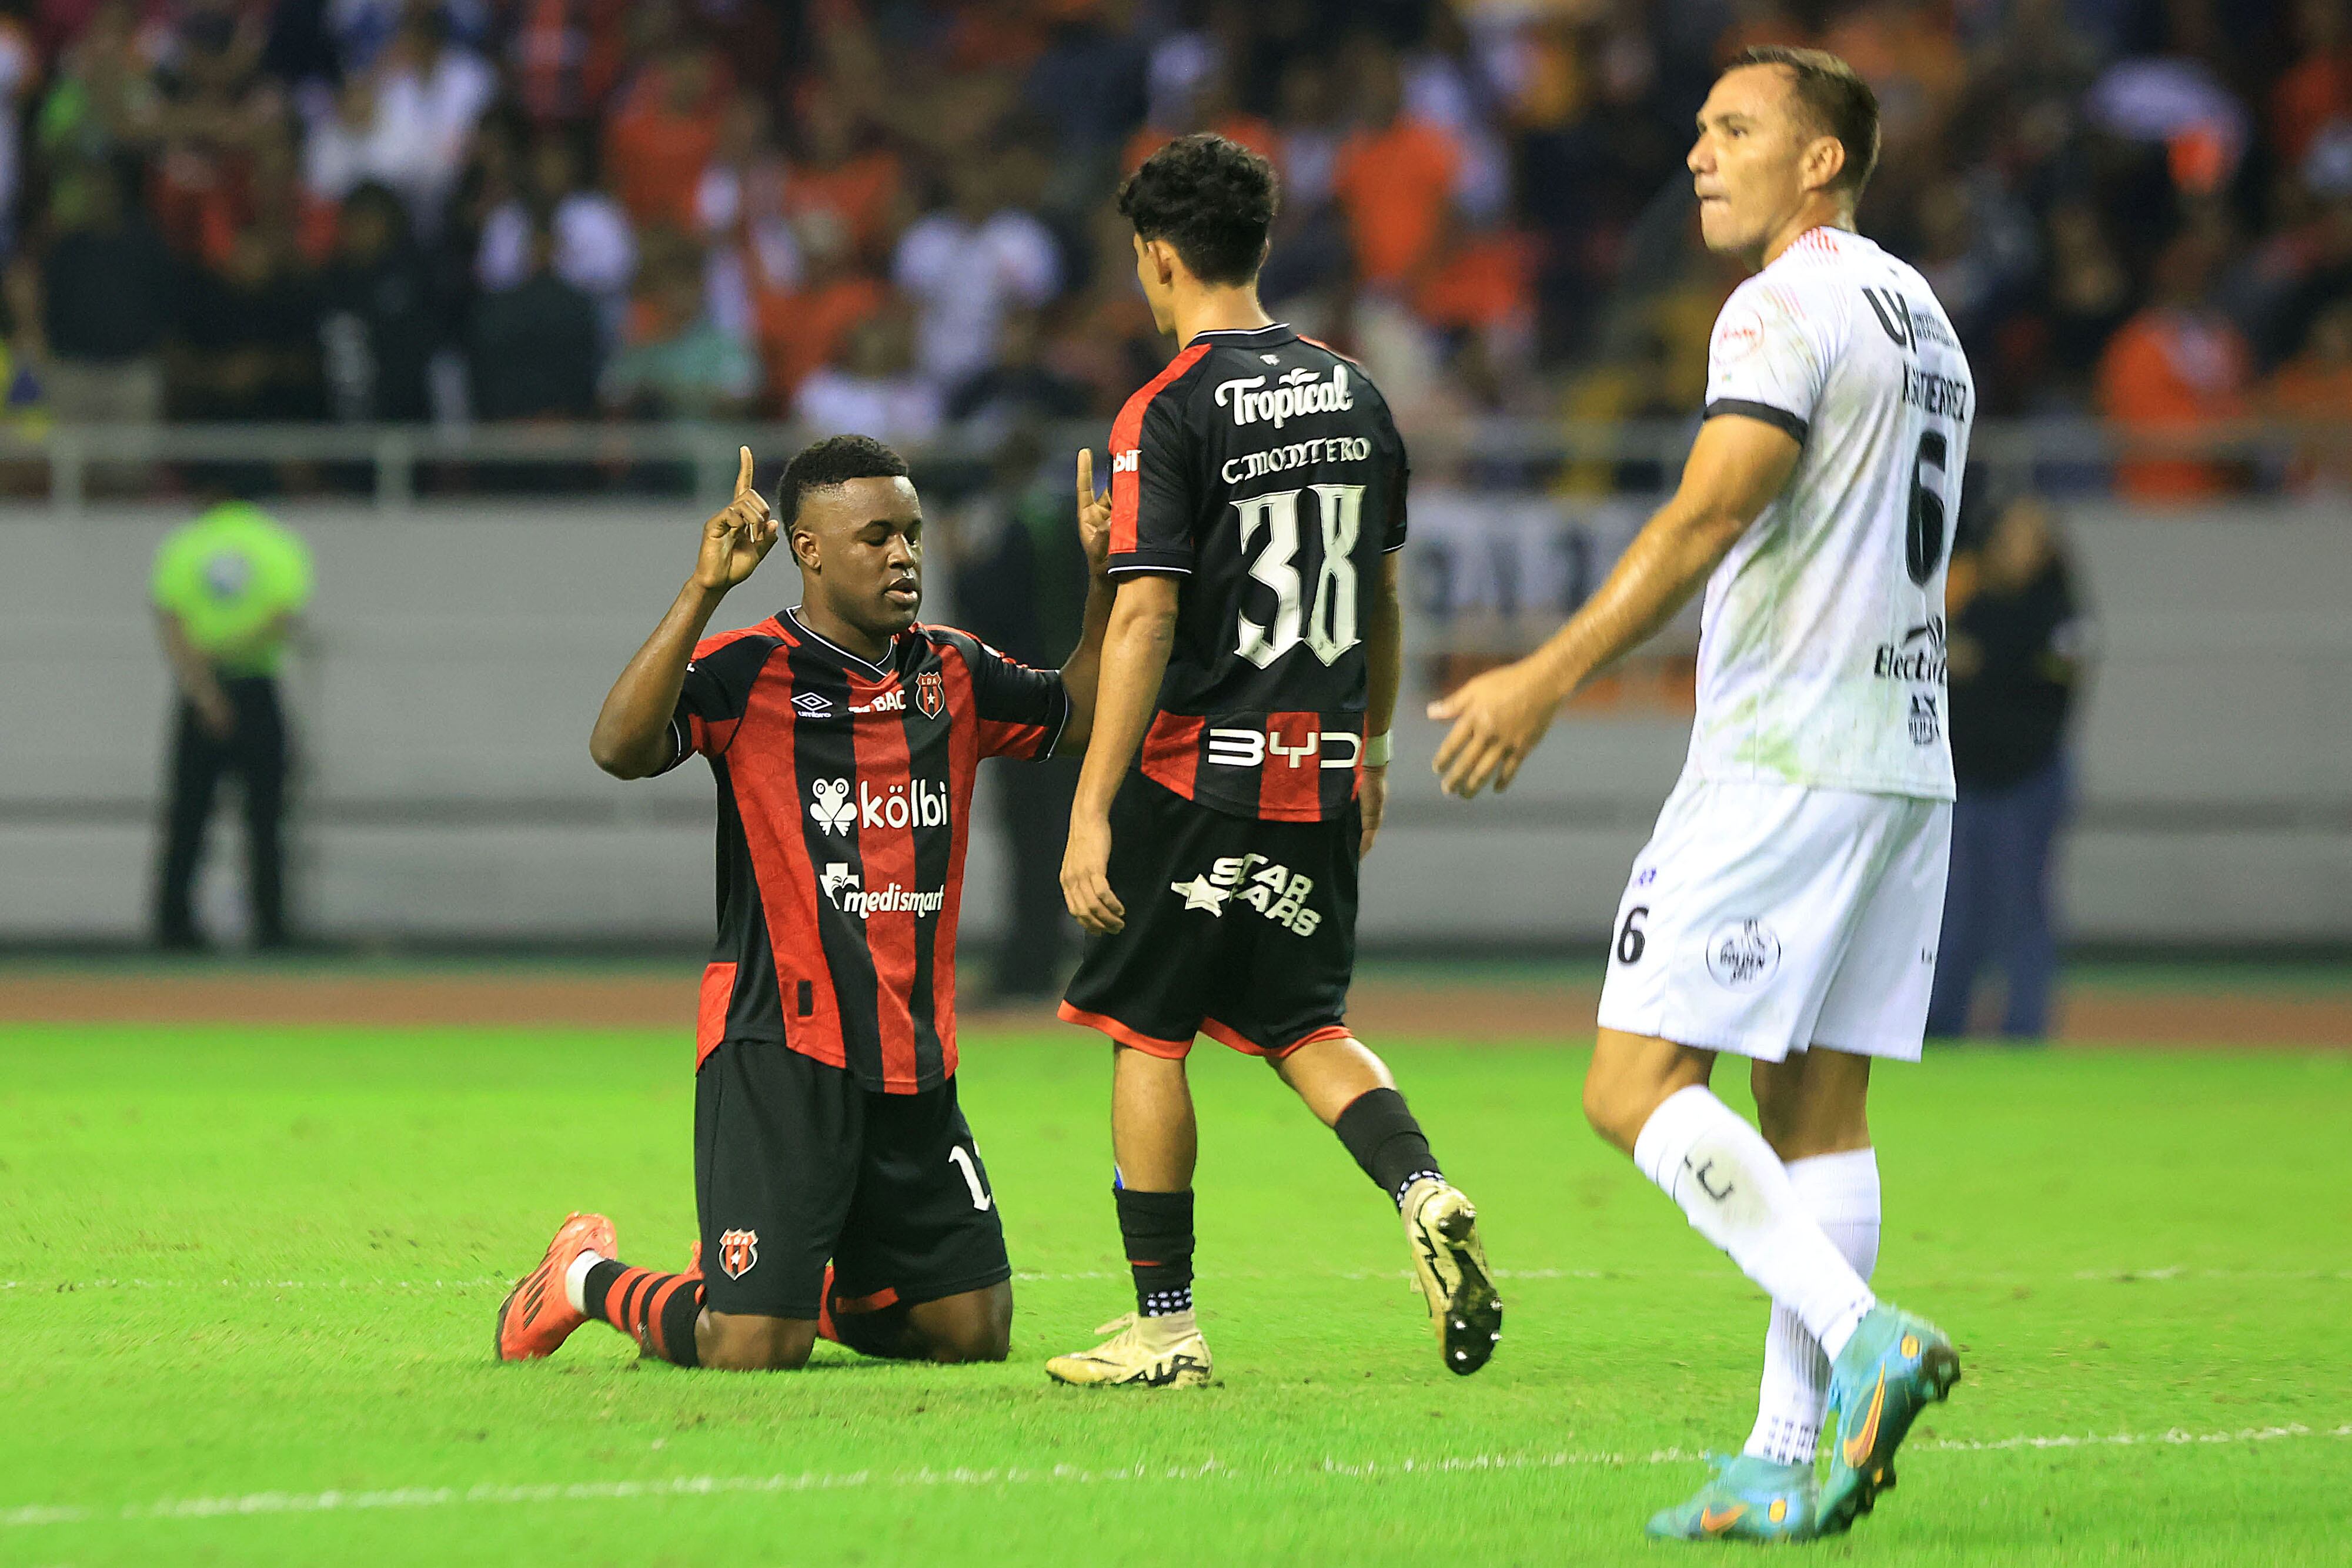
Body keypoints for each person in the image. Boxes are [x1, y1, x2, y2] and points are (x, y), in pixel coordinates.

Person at [1429, 49, 1967, 1541]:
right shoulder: (1923, 315)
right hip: (1903, 753)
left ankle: (1865, 1336)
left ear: (1820, 162)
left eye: (1735, 129)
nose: (1697, 153)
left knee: (1629, 1088)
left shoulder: (1780, 303)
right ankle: (1782, 1451)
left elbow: (1710, 508)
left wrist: (1543, 675)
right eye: (1697, 128)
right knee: (1819, 1113)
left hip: (1783, 757)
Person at [495, 436, 1115, 1373]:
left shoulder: (953, 669)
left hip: (911, 1049)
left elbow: (1082, 713)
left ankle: (798, 1282)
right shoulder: (748, 670)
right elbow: (620, 746)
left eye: (909, 534)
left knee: (973, 1333)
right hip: (777, 1045)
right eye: (876, 536)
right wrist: (704, 590)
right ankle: (585, 1275)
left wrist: (1107, 584)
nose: (904, 554)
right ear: (810, 550)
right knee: (749, 1349)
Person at [1047, 135, 1501, 1391]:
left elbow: (1142, 619)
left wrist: (1091, 806)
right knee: (1306, 1022)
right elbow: (1385, 593)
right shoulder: (1355, 390)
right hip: (1317, 770)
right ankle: (1421, 1184)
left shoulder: (1167, 407)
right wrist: (1373, 748)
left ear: (1156, 258)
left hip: (1197, 777)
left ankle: (1166, 1324)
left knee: (1147, 1030)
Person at [1926, 494, 2089, 1041]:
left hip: (2030, 778)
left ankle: (2024, 1028)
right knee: (1956, 908)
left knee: (2024, 906)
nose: (2015, 547)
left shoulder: (2059, 609)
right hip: (1968, 778)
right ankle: (1942, 1023)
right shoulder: (1971, 593)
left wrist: (1983, 663)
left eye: (2029, 537)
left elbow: (2051, 684)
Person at [151, 496, 313, 951]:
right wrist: (231, 651)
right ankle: (271, 926)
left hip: (198, 690)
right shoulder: (275, 542)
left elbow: (170, 619)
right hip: (257, 688)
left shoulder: (187, 543)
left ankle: (173, 925)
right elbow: (283, 617)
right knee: (265, 817)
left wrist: (204, 690)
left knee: (188, 816)